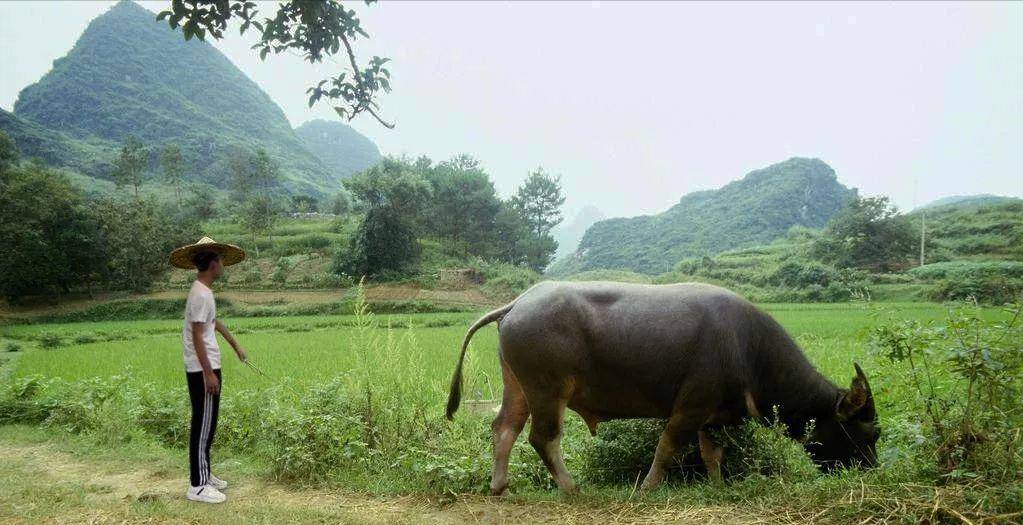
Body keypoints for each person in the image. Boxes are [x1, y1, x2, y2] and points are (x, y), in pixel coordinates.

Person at [169, 237, 248, 504]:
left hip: (208, 365)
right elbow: (196, 335)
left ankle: (205, 473)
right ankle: (198, 486)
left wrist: (235, 344)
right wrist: (208, 373)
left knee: (208, 423)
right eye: (221, 261)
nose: (223, 265)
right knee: (202, 425)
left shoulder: (204, 292)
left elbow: (212, 323)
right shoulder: (200, 294)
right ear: (213, 264)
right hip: (202, 369)